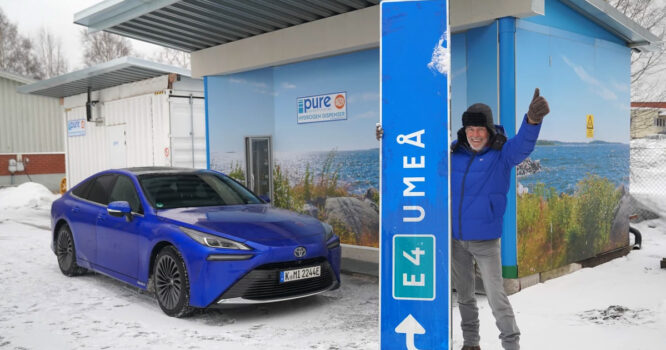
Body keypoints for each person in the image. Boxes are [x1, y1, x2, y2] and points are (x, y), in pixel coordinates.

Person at [376, 88, 550, 350]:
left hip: (485, 241)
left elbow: (522, 145)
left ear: (489, 129)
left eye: (480, 128)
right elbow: (416, 159)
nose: (475, 134)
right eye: (470, 128)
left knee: (495, 296)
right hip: (455, 239)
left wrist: (532, 121)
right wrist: (388, 137)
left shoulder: (502, 154)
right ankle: (471, 343)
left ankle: (511, 344)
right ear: (464, 130)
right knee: (465, 297)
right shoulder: (453, 153)